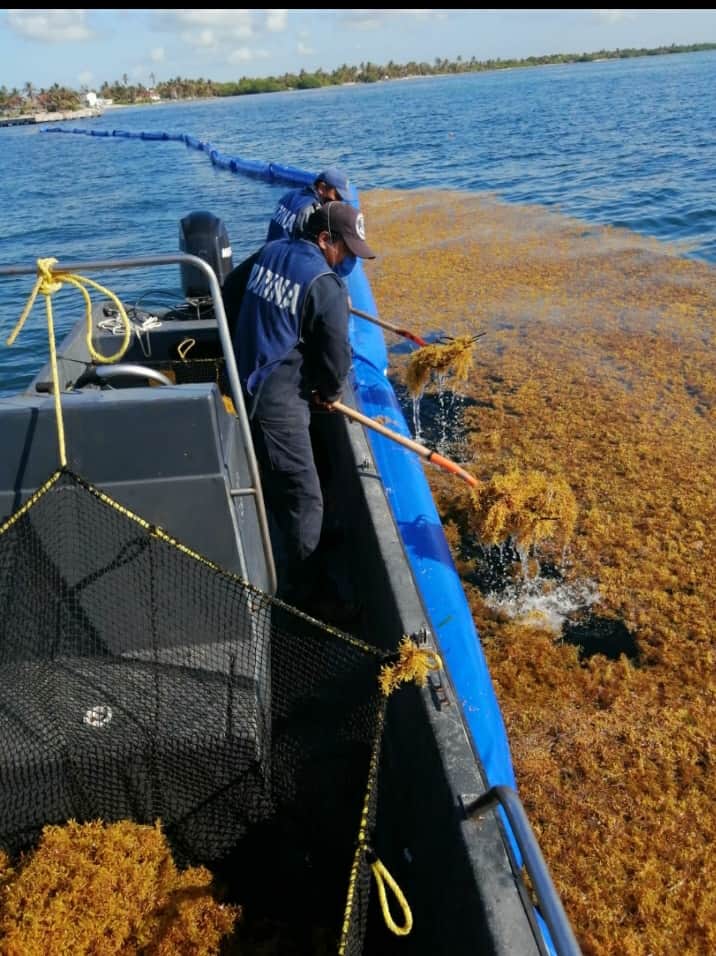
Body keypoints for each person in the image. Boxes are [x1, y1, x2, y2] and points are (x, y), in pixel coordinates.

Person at [225, 201, 376, 607]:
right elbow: (336, 359)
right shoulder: (326, 286)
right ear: (325, 240)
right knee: (306, 497)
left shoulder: (273, 251)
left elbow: (230, 291)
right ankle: (304, 593)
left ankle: (294, 544)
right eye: (346, 250)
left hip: (244, 381)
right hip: (278, 401)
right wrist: (328, 394)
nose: (349, 261)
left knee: (281, 478)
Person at [265, 167, 350, 242]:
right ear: (322, 188)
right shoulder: (312, 210)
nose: (338, 201)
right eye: (337, 196)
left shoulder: (290, 195)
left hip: (269, 253)